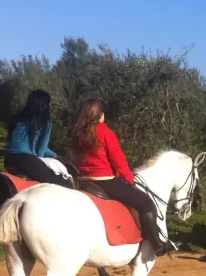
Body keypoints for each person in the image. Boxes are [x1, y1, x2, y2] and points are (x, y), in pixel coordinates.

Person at [71, 99, 170, 256]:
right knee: (146, 203)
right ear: (100, 115)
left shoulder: (77, 132)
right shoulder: (104, 131)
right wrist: (129, 178)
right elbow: (118, 160)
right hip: (104, 180)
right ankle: (157, 245)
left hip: (81, 180)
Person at [4, 90, 74, 189]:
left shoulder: (17, 119)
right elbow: (40, 151)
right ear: (44, 106)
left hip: (9, 159)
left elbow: (29, 143)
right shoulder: (45, 124)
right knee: (61, 183)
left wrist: (54, 155)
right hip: (26, 160)